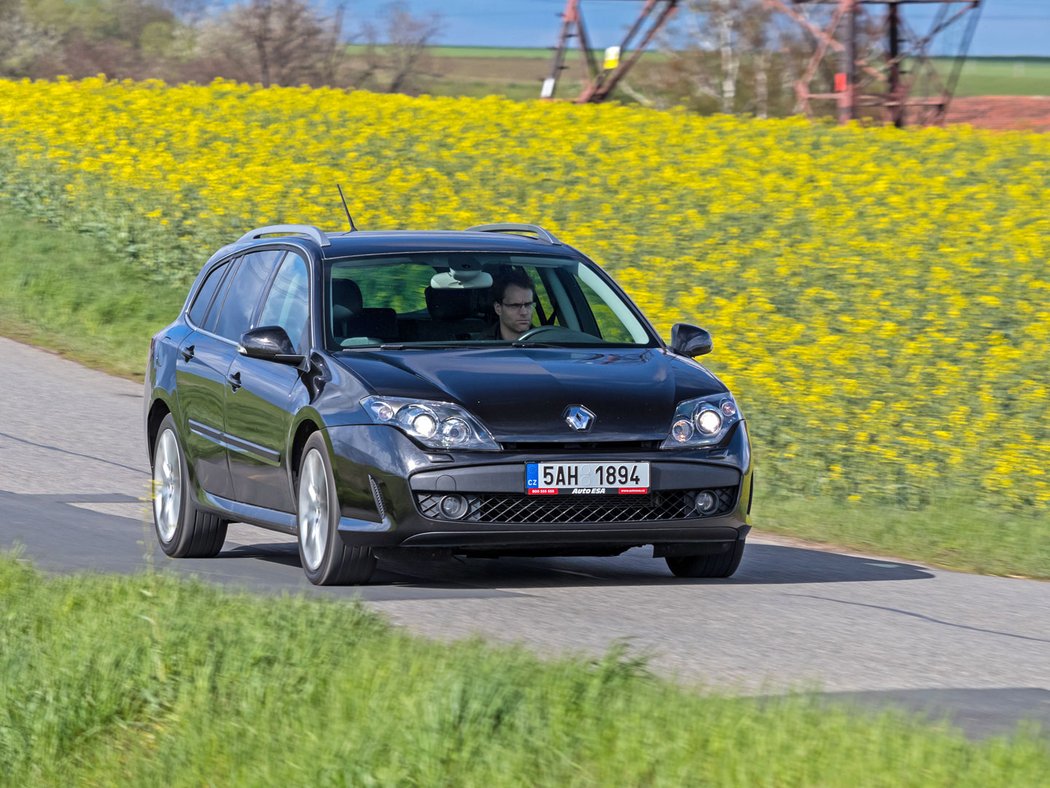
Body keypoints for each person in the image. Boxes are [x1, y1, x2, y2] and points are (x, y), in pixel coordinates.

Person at [491, 269, 537, 340]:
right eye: (515, 306)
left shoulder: (548, 344)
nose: (524, 312)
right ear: (498, 308)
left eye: (528, 305)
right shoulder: (479, 347)